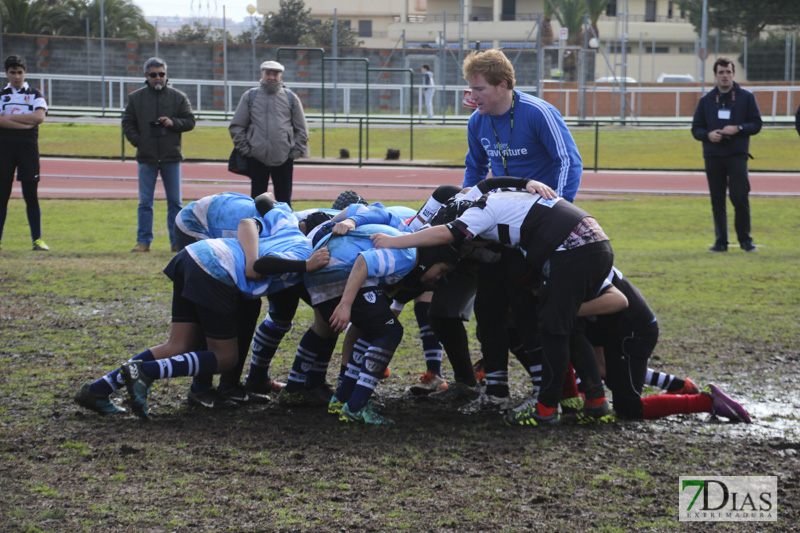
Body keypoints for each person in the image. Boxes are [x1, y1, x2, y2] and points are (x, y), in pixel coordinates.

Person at [372, 179, 616, 427]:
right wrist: (526, 182)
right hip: (592, 243)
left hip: (571, 249)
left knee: (553, 329)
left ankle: (546, 408)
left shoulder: (480, 211)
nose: (471, 242)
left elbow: (447, 233)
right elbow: (489, 183)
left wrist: (393, 241)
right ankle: (595, 403)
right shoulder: (493, 197)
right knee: (566, 326)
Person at [74, 207, 329, 418]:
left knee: (178, 344)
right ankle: (146, 373)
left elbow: (252, 217)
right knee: (226, 357)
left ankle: (98, 390)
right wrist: (307, 264)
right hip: (216, 269)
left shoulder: (286, 223)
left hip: (194, 255)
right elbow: (263, 265)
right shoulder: (303, 247)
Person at [461, 49, 582, 202]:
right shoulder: (476, 121)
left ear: (502, 85)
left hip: (540, 206)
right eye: (471, 88)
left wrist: (558, 205)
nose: (472, 96)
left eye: (479, 89)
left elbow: (569, 161)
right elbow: (475, 167)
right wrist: (466, 203)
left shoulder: (539, 113)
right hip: (500, 206)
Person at [122, 57, 196, 253]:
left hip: (171, 157)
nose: (158, 78)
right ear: (146, 76)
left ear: (166, 75)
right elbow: (127, 123)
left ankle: (176, 242)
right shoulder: (135, 98)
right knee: (145, 203)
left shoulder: (178, 97)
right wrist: (140, 141)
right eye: (153, 75)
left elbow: (190, 121)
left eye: (161, 74)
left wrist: (173, 123)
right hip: (146, 158)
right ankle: (143, 241)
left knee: (175, 203)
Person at [691, 57, 762, 253]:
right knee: (717, 199)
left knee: (740, 197)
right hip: (713, 156)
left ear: (733, 74)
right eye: (721, 72)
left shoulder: (746, 97)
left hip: (737, 155)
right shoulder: (706, 100)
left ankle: (745, 240)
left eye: (728, 72)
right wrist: (708, 135)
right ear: (715, 75)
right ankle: (721, 241)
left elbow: (756, 124)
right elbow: (696, 128)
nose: (725, 76)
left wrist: (738, 128)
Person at [229, 60, 309, 205]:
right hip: (257, 158)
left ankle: (284, 227)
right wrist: (247, 150)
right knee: (257, 202)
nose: (271, 77)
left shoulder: (291, 98)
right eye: (268, 73)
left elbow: (302, 129)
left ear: (281, 76)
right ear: (262, 74)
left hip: (284, 157)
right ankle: (257, 227)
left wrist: (294, 153)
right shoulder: (250, 97)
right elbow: (237, 126)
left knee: (284, 203)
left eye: (275, 74)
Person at [0, 55, 49, 252]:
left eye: (20, 72)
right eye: (13, 72)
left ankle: (37, 240)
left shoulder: (35, 94)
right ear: (7, 74)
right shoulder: (2, 95)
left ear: (25, 73)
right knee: (2, 195)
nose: (17, 76)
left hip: (28, 150)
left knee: (31, 195)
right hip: (4, 150)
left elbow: (38, 117)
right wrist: (23, 124)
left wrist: (8, 118)